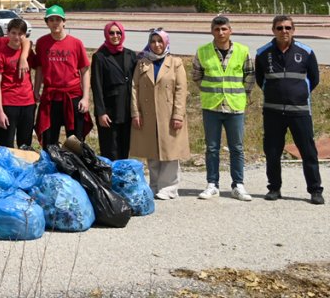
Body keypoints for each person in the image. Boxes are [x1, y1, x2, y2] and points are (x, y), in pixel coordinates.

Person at [256, 16, 322, 204]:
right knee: (272, 152)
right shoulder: (263, 53)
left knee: (308, 151)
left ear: (293, 29)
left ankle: (315, 190)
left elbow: (314, 79)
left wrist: (298, 94)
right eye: (279, 28)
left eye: (287, 27)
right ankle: (274, 188)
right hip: (273, 112)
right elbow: (262, 80)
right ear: (273, 30)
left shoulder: (306, 52)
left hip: (299, 111)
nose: (283, 31)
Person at [191, 15, 254, 201]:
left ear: (230, 31)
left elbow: (250, 74)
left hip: (235, 106)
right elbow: (196, 75)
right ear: (212, 31)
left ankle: (238, 184)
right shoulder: (203, 52)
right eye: (217, 29)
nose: (221, 33)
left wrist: (244, 94)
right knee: (212, 147)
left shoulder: (242, 51)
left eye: (224, 29)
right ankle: (212, 184)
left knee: (237, 147)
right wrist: (209, 91)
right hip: (212, 106)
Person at [130, 29, 189, 200]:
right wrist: (135, 112)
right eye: (153, 41)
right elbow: (135, 88)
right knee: (152, 150)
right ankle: (154, 184)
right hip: (148, 114)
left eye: (160, 41)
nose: (156, 45)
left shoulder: (175, 62)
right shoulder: (143, 63)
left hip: (169, 114)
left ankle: (169, 187)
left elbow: (181, 89)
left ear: (166, 43)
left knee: (170, 151)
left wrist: (178, 114)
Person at [32, 6, 92, 147]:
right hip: (51, 96)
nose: (55, 23)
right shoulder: (41, 43)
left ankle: (75, 165)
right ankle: (51, 165)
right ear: (47, 23)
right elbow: (39, 69)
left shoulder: (76, 43)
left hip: (72, 96)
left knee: (75, 139)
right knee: (49, 137)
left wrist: (85, 98)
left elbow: (84, 71)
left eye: (58, 19)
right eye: (51, 20)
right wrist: (36, 90)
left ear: (64, 21)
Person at [90, 21, 137, 160]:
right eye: (111, 33)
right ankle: (110, 179)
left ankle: (123, 179)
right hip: (109, 111)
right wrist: (101, 112)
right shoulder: (100, 56)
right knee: (110, 149)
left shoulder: (131, 54)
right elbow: (96, 85)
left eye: (118, 33)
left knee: (125, 148)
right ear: (106, 34)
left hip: (127, 109)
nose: (115, 36)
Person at [0, 19, 36, 149]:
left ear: (25, 35)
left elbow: (40, 68)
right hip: (8, 104)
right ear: (8, 33)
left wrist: (36, 90)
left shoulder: (27, 53)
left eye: (20, 33)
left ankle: (25, 169)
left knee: (25, 145)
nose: (17, 37)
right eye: (13, 33)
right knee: (6, 145)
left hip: (28, 102)